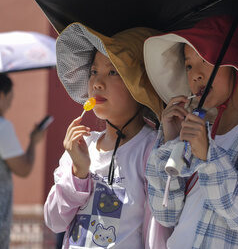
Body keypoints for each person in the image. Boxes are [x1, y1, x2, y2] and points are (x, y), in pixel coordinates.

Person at [144, 15, 238, 248]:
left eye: (205, 59)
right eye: (188, 65)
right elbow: (166, 214)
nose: (195, 74)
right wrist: (171, 140)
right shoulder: (197, 129)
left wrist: (207, 156)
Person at [43, 23, 169, 248]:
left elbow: (158, 232)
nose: (97, 83)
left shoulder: (152, 149)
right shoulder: (82, 146)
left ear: (140, 84)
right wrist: (78, 173)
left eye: (113, 72)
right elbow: (54, 221)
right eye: (93, 72)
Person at [0, 73, 46, 248]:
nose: (10, 104)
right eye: (10, 97)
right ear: (2, 95)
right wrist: (34, 141)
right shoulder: (3, 127)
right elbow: (24, 168)